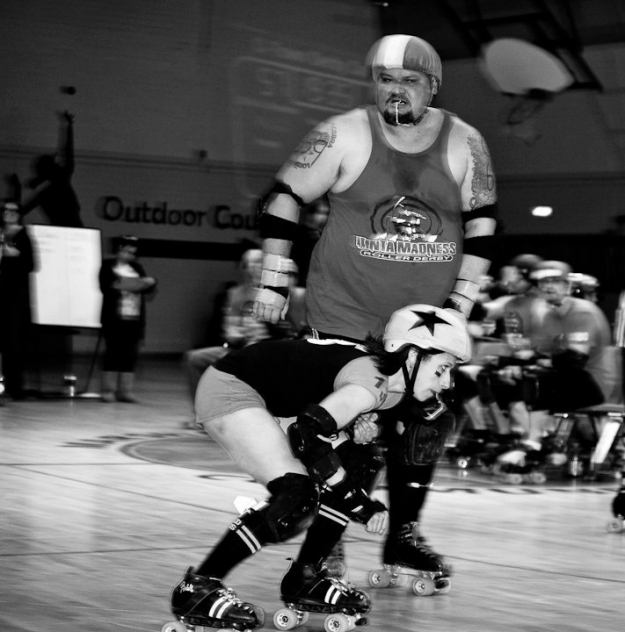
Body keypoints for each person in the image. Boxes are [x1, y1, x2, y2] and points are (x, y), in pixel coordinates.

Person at [252, 33, 498, 579]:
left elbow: (483, 224)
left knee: (424, 424)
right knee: (345, 432)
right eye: (386, 80)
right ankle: (327, 541)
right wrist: (273, 280)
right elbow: (284, 197)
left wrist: (460, 302)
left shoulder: (464, 140)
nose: (396, 90)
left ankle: (402, 536)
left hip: (422, 324)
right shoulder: (343, 132)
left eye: (409, 81)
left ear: (433, 86)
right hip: (344, 312)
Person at [168, 305, 471, 630]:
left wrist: (356, 429)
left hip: (280, 401)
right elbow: (307, 437)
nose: (447, 383)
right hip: (232, 387)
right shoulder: (370, 381)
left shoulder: (392, 391)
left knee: (364, 463)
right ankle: (198, 588)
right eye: (442, 369)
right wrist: (357, 501)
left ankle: (306, 575)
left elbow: (321, 417)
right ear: (411, 357)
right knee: (296, 497)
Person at [184, 249, 307, 399]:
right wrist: (240, 332)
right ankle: (202, 409)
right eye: (252, 263)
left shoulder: (288, 294)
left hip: (271, 350)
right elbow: (231, 330)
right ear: (245, 268)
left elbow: (293, 329)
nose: (256, 267)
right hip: (243, 347)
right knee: (194, 358)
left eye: (260, 263)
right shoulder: (237, 293)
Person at [98, 235, 156, 402]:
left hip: (134, 318)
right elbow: (109, 286)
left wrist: (146, 283)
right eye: (127, 251)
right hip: (114, 317)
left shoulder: (137, 267)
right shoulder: (107, 266)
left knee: (130, 354)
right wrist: (140, 283)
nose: (130, 255)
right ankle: (108, 390)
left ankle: (125, 391)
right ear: (119, 250)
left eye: (133, 253)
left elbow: (149, 288)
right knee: (112, 352)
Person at [19, 111, 83, 227]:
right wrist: (69, 126)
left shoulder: (44, 193)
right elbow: (68, 151)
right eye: (55, 164)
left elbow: (22, 211)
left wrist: (69, 126)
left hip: (63, 228)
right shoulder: (62, 178)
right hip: (73, 227)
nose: (58, 164)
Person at [0, 201, 36, 400]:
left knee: (13, 342)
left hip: (15, 297)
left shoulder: (23, 235)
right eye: (7, 210)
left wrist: (15, 255)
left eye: (14, 211)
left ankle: (14, 386)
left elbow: (31, 265)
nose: (10, 213)